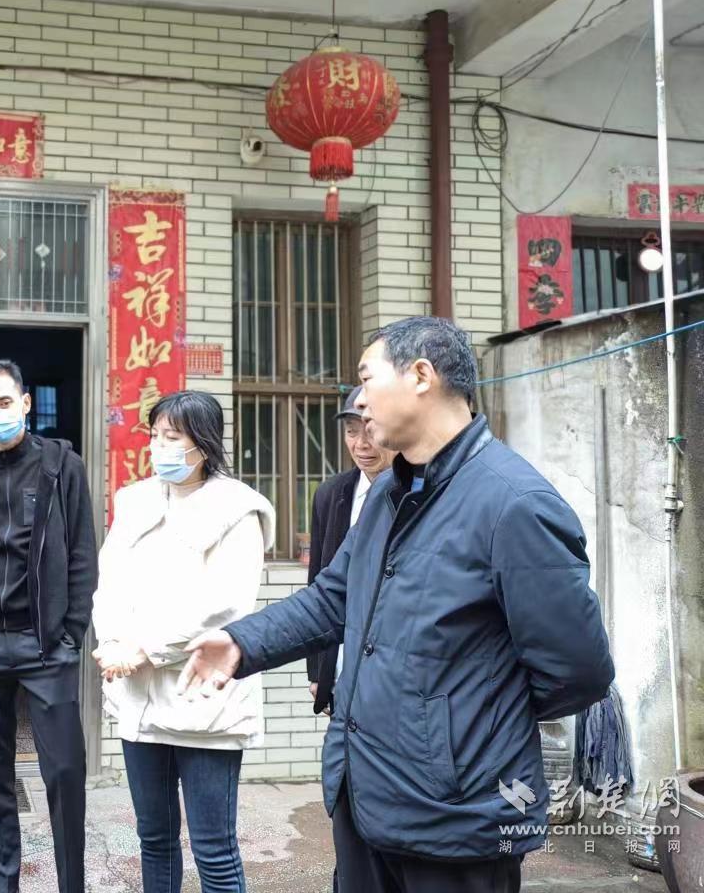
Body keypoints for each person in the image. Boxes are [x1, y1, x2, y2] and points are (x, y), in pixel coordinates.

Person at [178, 317, 614, 893]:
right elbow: (334, 597)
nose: (359, 401)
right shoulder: (390, 490)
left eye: (367, 379)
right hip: (364, 794)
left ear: (421, 376)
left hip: (457, 815)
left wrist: (466, 724)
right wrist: (242, 642)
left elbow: (579, 671)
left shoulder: (514, 504)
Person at [92, 390, 274, 893]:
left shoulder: (238, 509)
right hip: (139, 697)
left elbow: (224, 606)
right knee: (153, 839)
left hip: (204, 701)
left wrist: (144, 649)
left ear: (203, 443)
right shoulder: (135, 501)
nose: (160, 447)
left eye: (172, 437)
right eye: (155, 436)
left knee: (214, 849)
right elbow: (109, 582)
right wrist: (112, 642)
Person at [0, 359, 99, 893]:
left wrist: (71, 632)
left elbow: (82, 552)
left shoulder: (61, 466)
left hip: (44, 642)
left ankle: (71, 884)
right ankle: (4, 884)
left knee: (65, 772)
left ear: (25, 403)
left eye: (5, 402)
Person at [307, 386, 395, 718]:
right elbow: (318, 583)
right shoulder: (330, 494)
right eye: (351, 432)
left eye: (370, 431)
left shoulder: (422, 493)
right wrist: (318, 671)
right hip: (342, 663)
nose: (361, 444)